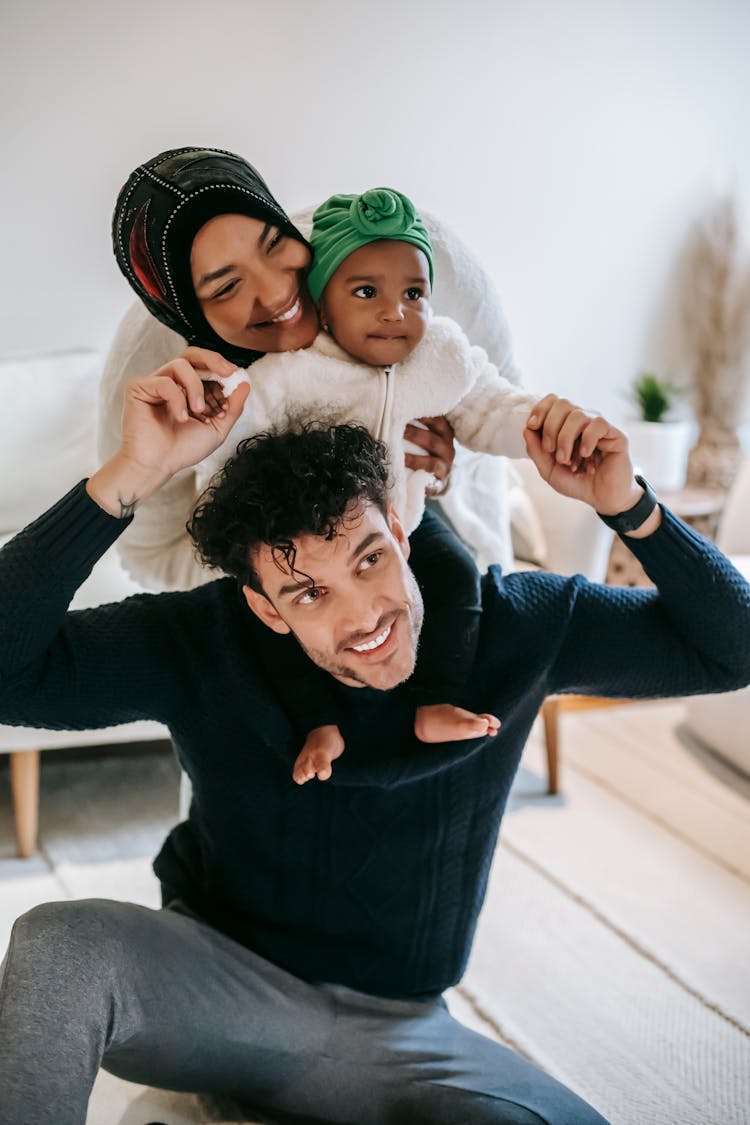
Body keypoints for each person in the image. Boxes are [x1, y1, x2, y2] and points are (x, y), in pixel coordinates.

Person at [1, 362, 749, 1125]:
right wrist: (132, 472)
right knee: (61, 942)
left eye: (368, 559)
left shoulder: (520, 624)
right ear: (264, 606)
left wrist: (629, 505)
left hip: (404, 1033)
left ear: (398, 526)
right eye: (308, 592)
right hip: (221, 997)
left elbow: (735, 645)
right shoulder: (202, 638)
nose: (363, 616)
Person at [195, 185, 538, 781]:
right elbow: (224, 466)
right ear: (323, 304)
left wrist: (549, 425)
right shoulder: (286, 375)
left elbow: (491, 408)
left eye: (414, 293)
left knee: (457, 573)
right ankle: (319, 722)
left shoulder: (436, 356)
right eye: (365, 293)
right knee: (284, 617)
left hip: (401, 518)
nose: (393, 312)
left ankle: (434, 700)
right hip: (306, 542)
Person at [99, 146, 524, 596]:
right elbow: (151, 556)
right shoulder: (151, 369)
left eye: (275, 244)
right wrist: (285, 570)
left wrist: (446, 456)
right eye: (226, 286)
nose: (279, 290)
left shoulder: (406, 253)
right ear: (186, 316)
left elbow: (500, 395)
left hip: (429, 521)